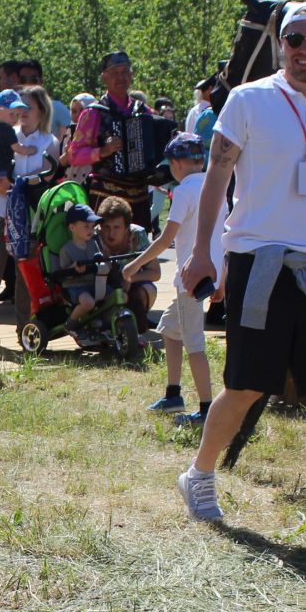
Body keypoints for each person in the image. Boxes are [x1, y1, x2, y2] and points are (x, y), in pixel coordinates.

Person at [174, 1, 306, 538]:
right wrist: (204, 252)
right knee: (248, 385)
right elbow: (217, 176)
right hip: (259, 261)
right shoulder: (248, 100)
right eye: (295, 39)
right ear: (281, 45)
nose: (304, 51)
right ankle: (199, 474)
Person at [131, 133, 216, 422]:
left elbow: (167, 237)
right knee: (169, 329)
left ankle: (206, 409)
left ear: (177, 163)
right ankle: (173, 394)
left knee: (195, 345)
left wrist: (135, 265)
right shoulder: (214, 185)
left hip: (190, 279)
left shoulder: (183, 192)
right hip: (209, 275)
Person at [0, 87, 56, 347]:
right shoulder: (2, 131)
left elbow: (46, 179)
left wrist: (12, 182)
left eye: (27, 107)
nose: (21, 112)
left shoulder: (48, 142)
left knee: (24, 271)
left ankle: (26, 328)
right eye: (17, 108)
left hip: (28, 215)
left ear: (41, 110)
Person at [69, 51, 157, 225]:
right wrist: (102, 151)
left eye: (125, 72)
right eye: (115, 73)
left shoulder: (144, 112)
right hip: (106, 193)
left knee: (139, 248)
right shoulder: (94, 112)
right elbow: (74, 155)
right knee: (106, 247)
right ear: (105, 77)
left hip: (139, 194)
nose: (121, 78)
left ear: (131, 75)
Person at [95, 195, 159, 323]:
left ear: (127, 227)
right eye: (106, 227)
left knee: (149, 290)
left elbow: (155, 273)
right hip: (101, 285)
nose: (111, 233)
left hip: (132, 284)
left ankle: (139, 317)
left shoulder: (138, 234)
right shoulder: (93, 236)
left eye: (116, 227)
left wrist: (131, 278)